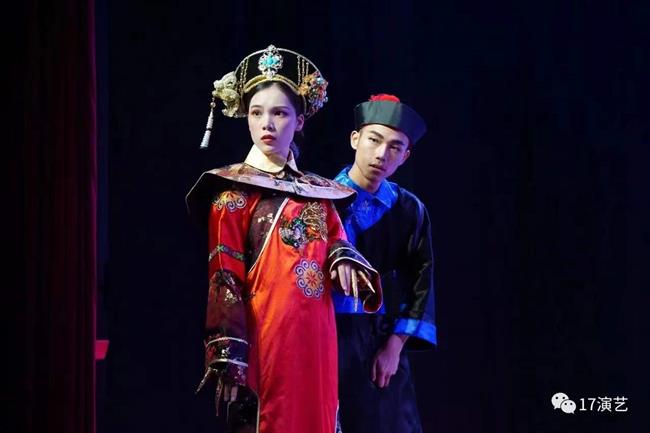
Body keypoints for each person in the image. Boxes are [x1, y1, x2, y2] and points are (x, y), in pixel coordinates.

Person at [185, 45, 383, 433]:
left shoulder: (317, 192)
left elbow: (336, 238)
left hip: (316, 334)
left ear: (299, 120)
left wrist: (342, 256)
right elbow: (224, 278)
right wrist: (229, 353)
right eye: (257, 113)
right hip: (266, 336)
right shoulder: (232, 194)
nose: (267, 124)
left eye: (280, 113)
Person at [333, 94, 437, 433]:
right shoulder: (320, 200)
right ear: (355, 139)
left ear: (405, 156)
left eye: (395, 147)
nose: (381, 154)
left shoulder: (409, 210)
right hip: (324, 332)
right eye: (374, 140)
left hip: (379, 338)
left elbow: (420, 281)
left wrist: (394, 347)